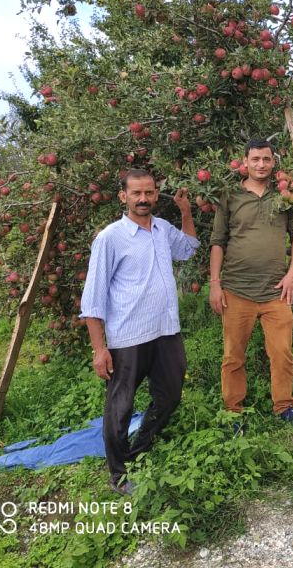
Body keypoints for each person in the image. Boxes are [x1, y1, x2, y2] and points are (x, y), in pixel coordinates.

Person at [80, 169, 199, 495]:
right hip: (128, 337)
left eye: (149, 193)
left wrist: (186, 212)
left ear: (156, 195)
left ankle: (138, 449)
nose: (144, 199)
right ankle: (118, 475)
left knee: (170, 395)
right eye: (137, 194)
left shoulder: (162, 229)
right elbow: (92, 299)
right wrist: (99, 348)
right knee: (120, 408)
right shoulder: (110, 238)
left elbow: (188, 248)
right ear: (123, 196)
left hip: (165, 331)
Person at [208, 139, 293, 427]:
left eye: (266, 159)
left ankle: (284, 405)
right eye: (255, 159)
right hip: (237, 290)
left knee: (282, 352)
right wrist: (215, 283)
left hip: (275, 291)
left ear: (273, 162)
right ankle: (233, 410)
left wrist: (291, 274)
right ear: (245, 162)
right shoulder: (230, 196)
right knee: (233, 355)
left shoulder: (284, 196)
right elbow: (217, 241)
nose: (261, 164)